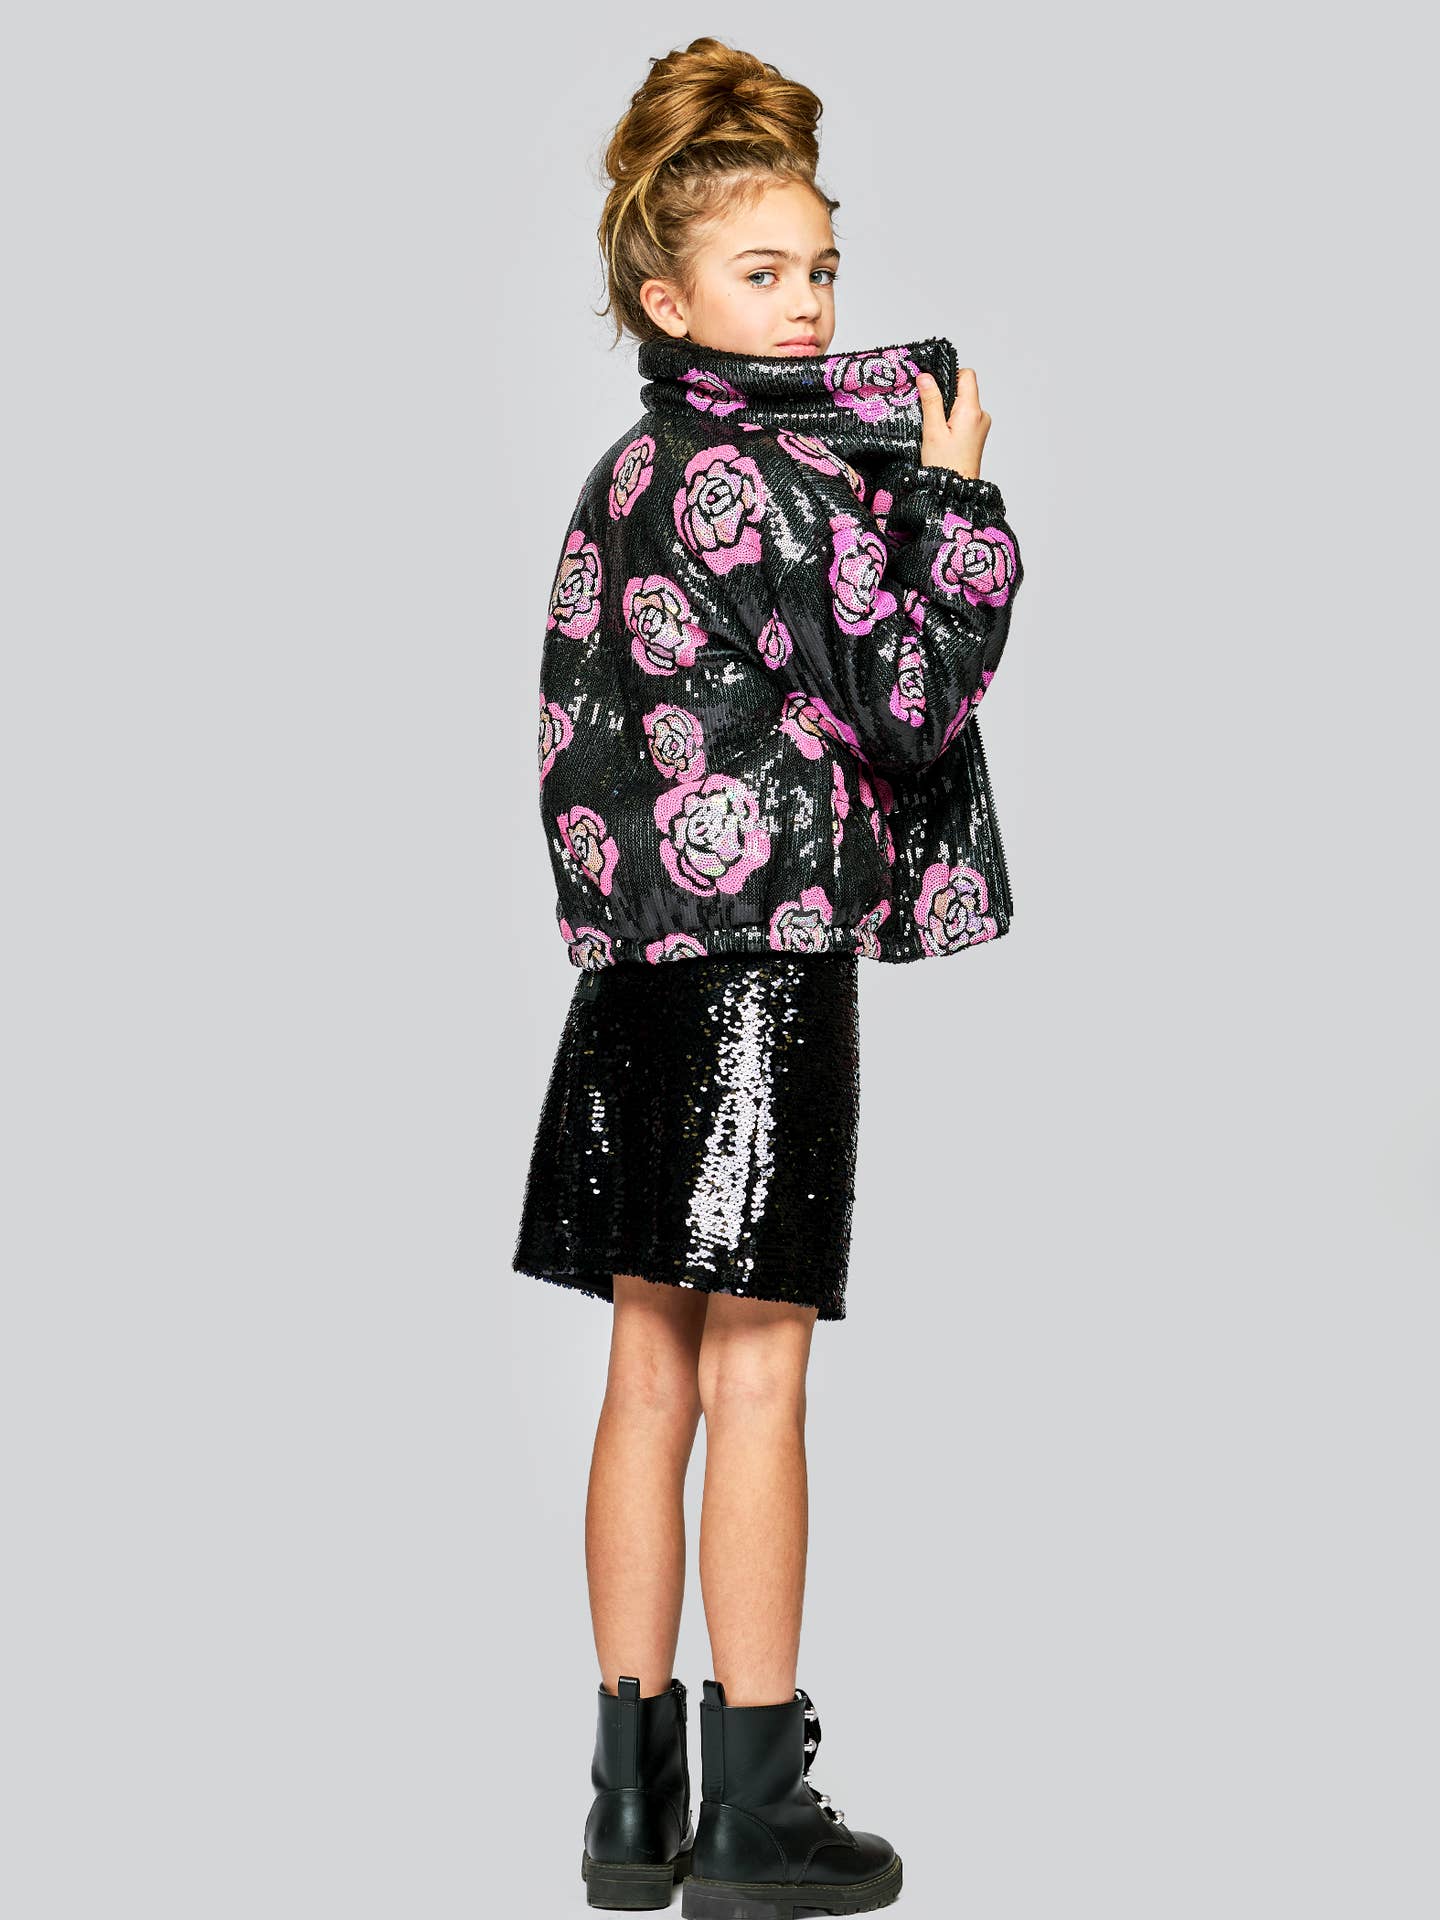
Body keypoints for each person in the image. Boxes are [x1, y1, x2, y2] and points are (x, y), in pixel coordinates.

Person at [511, 34, 1024, 1917]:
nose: (807, 304)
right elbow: (905, 702)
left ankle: (628, 1805)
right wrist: (953, 502)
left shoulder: (624, 473)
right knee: (759, 1381)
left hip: (633, 972)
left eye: (820, 267)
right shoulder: (778, 478)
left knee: (646, 1369)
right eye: (762, 272)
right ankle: (752, 1807)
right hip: (759, 972)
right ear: (667, 298)